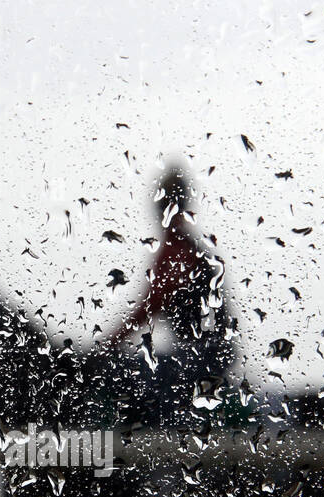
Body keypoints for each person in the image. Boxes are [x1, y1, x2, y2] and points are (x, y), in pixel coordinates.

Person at [99, 163, 238, 429]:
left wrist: (108, 346)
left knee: (134, 382)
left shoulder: (178, 251)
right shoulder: (188, 247)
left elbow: (150, 307)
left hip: (203, 361)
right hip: (205, 357)